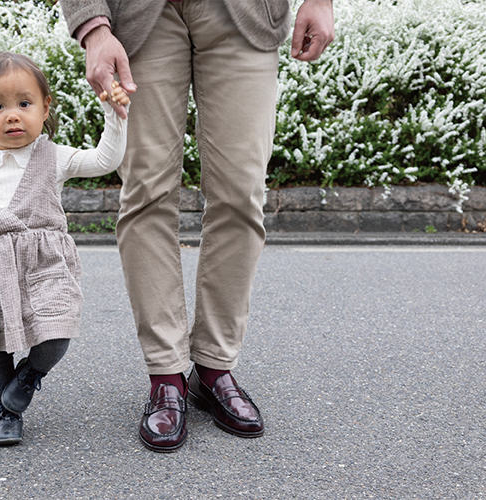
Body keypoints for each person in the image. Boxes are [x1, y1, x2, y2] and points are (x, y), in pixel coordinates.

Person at [59, 0, 334, 452]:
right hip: (137, 15)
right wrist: (92, 27)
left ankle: (213, 367)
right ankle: (166, 374)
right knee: (146, 194)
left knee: (241, 193)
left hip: (245, 12)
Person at [0, 51, 130, 446]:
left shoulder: (54, 155)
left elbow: (105, 160)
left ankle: (31, 374)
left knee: (57, 331)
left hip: (44, 263)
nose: (12, 115)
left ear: (45, 108)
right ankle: (6, 412)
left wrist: (116, 116)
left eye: (24, 104)